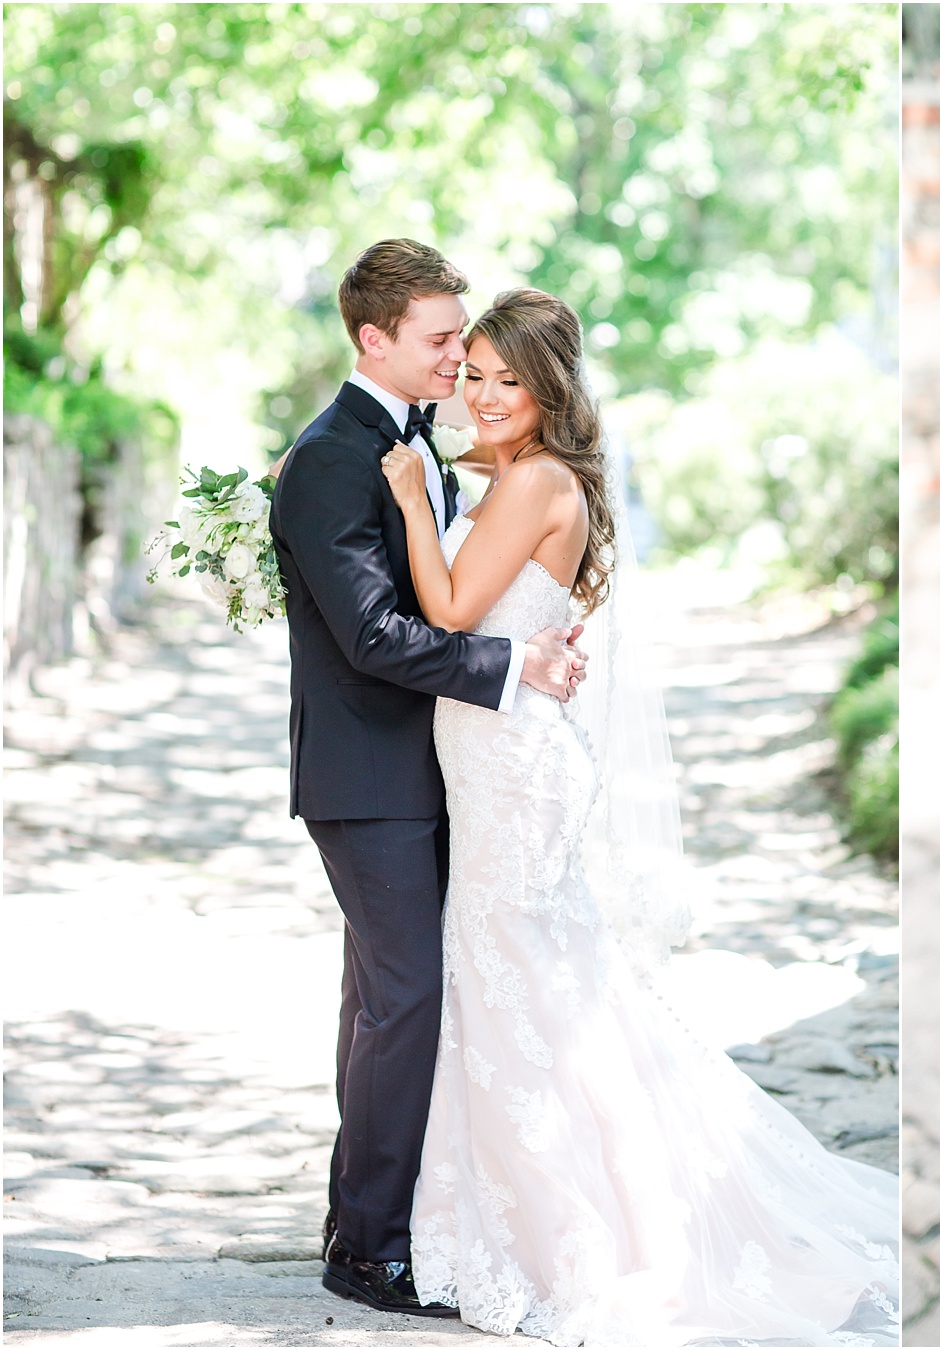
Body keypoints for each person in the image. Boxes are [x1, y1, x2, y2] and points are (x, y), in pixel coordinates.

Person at [378, 287, 898, 1344]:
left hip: (514, 770)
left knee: (531, 990)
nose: (480, 394)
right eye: (471, 373)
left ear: (548, 387)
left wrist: (403, 497)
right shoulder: (529, 475)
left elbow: (447, 611)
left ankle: (602, 1238)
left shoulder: (533, 482)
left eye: (505, 379)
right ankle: (543, 1219)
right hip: (503, 757)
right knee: (537, 985)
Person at [269, 239, 588, 1317]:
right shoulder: (329, 456)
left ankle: (365, 1218)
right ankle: (366, 1250)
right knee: (405, 1002)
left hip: (440, 770)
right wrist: (514, 662)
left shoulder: (418, 444)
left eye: (466, 340)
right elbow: (371, 636)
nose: (460, 359)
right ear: (375, 340)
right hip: (369, 775)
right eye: (443, 340)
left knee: (386, 1001)